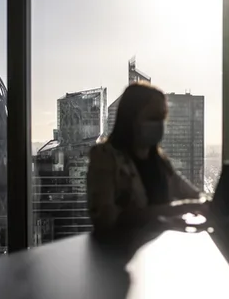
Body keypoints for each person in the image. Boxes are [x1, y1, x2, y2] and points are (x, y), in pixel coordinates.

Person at [87, 82, 207, 241]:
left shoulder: (158, 160)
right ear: (131, 118)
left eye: (162, 118)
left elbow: (188, 192)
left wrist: (207, 203)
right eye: (152, 117)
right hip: (117, 254)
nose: (159, 125)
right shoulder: (104, 157)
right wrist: (173, 211)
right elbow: (106, 219)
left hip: (158, 249)